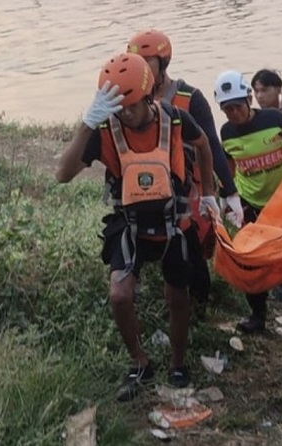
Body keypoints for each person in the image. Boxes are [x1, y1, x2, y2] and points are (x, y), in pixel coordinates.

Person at [56, 53, 219, 400]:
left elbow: (203, 143)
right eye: (118, 106)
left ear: (148, 97)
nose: (124, 113)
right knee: (119, 294)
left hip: (173, 222)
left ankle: (177, 362)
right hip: (128, 223)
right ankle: (140, 361)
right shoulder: (104, 130)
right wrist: (87, 123)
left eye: (131, 105)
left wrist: (208, 193)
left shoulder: (174, 119)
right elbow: (62, 174)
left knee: (178, 296)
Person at [127, 29, 243, 317]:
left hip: (183, 189)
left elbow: (211, 145)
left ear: (163, 62)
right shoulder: (127, 98)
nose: (140, 68)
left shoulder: (189, 98)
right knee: (133, 242)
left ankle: (199, 305)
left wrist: (228, 192)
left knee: (191, 251)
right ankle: (134, 293)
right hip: (141, 188)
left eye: (147, 62)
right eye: (135, 62)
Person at [213, 69, 282, 333]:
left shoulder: (274, 119)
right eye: (227, 109)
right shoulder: (227, 133)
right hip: (250, 201)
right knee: (250, 258)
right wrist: (228, 196)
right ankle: (258, 315)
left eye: (236, 106)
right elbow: (229, 167)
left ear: (248, 100)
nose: (233, 113)